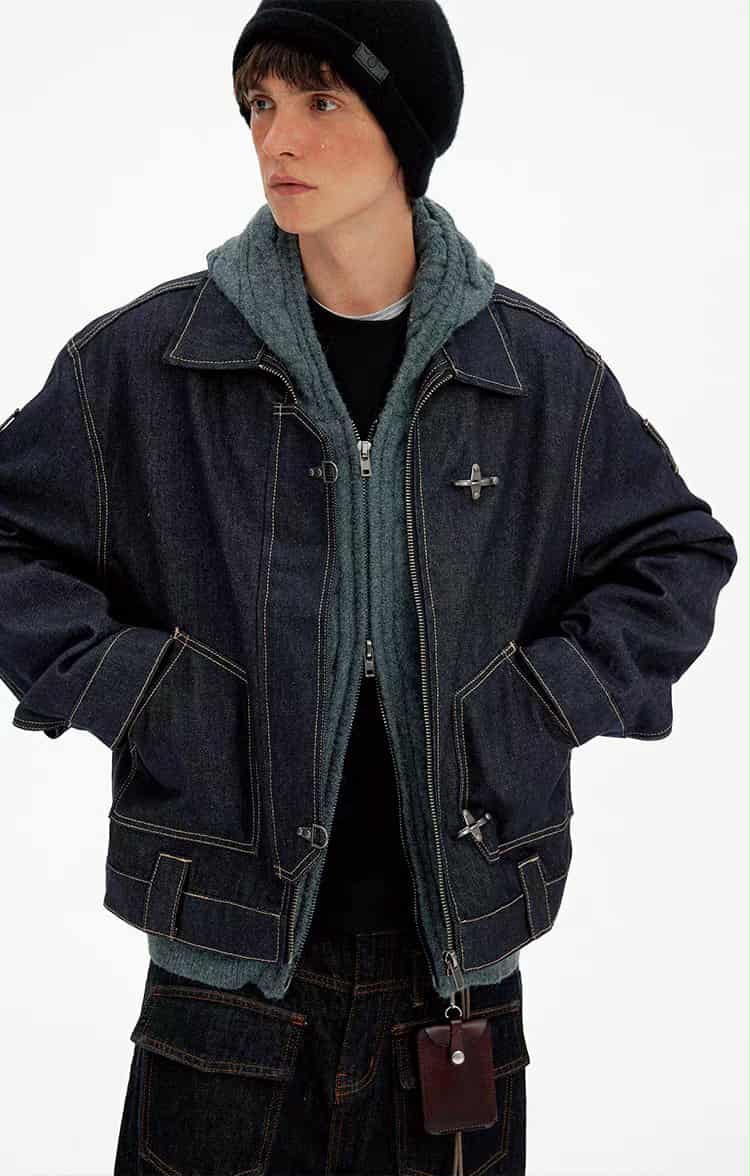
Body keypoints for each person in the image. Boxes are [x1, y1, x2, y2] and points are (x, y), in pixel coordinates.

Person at [0, 2, 737, 1174]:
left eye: (320, 101)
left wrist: (536, 702)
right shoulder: (151, 362)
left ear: (407, 127)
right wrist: (142, 689)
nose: (276, 138)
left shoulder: (529, 372)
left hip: (458, 986)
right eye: (259, 105)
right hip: (222, 981)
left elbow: (675, 552)